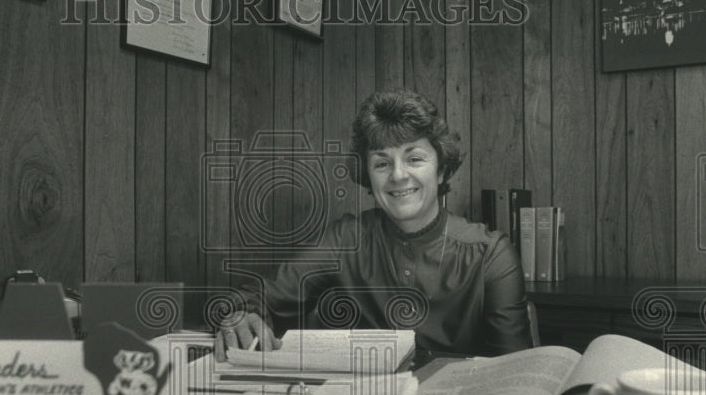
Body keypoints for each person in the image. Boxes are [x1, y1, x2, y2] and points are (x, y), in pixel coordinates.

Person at [216, 90, 533, 358]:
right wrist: (242, 313)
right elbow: (258, 294)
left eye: (414, 159)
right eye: (382, 163)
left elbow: (514, 373)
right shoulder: (346, 239)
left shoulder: (491, 254)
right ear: (369, 177)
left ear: (441, 170)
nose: (398, 175)